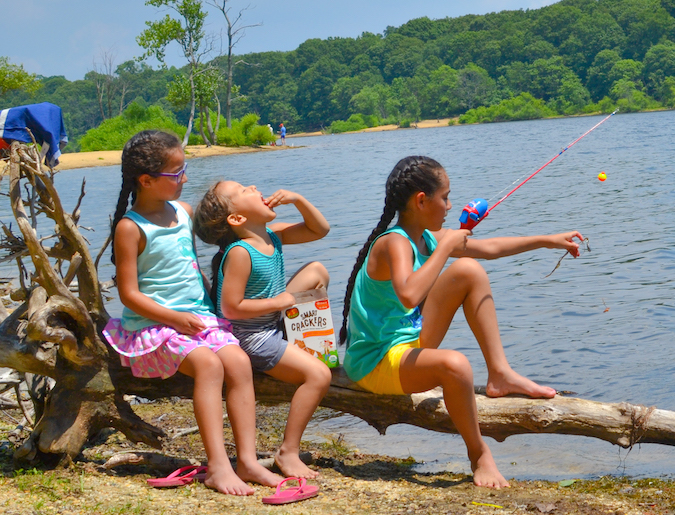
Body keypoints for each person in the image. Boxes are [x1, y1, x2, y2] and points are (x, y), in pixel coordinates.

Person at [340, 155, 582, 488]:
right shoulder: (395, 241)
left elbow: (491, 248)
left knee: (469, 271)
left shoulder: (427, 237)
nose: (450, 206)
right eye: (445, 197)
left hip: (407, 342)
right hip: (376, 361)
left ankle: (500, 373)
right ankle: (479, 454)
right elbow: (409, 294)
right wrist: (446, 247)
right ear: (421, 200)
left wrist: (547, 240)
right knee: (457, 366)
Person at [105, 130, 281, 495]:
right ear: (147, 180)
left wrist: (268, 235)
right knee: (209, 365)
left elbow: (228, 228)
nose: (185, 178)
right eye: (177, 172)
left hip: (198, 319)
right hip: (155, 326)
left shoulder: (183, 213)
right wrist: (173, 318)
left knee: (238, 362)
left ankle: (246, 461)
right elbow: (129, 294)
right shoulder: (130, 227)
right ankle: (218, 465)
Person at [193, 180, 332, 481]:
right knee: (319, 376)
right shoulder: (240, 253)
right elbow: (230, 309)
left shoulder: (271, 235)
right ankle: (288, 452)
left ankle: (309, 345)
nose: (254, 186)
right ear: (237, 220)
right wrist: (278, 302)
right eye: (244, 190)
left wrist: (297, 197)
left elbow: (320, 230)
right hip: (249, 336)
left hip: (271, 321)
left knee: (317, 271)